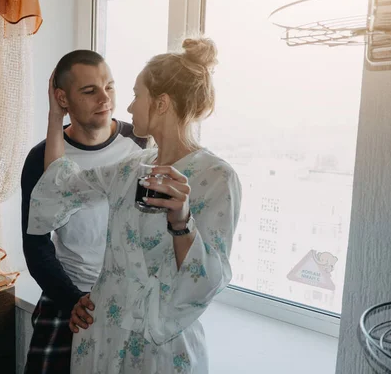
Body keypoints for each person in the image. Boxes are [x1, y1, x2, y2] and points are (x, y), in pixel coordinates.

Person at [27, 36, 242, 373]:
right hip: (104, 338)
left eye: (135, 95)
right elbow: (59, 184)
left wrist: (181, 220)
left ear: (161, 103)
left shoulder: (217, 179)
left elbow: (206, 281)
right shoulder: (132, 169)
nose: (126, 107)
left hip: (161, 348)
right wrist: (56, 116)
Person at [22, 50, 146, 374]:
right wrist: (71, 299)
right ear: (62, 98)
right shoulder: (41, 158)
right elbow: (36, 246)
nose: (105, 99)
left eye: (110, 87)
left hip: (129, 296)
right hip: (69, 295)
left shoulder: (142, 145)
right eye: (90, 91)